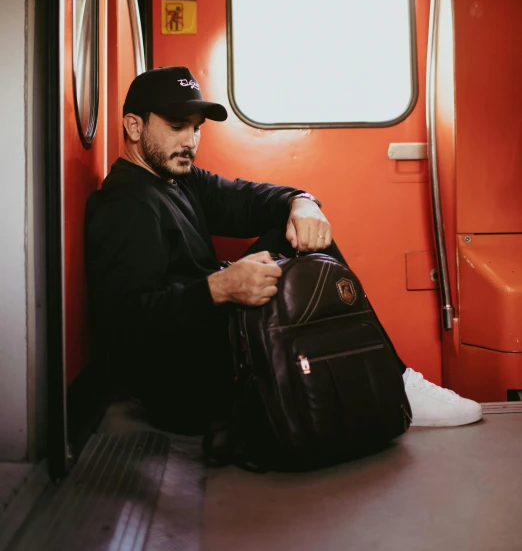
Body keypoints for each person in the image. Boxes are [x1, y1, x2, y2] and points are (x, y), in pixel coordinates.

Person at [85, 66, 482, 434]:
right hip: (182, 385)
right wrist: (218, 289)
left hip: (212, 340)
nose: (190, 142)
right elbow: (125, 326)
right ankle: (391, 383)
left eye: (196, 128)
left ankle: (388, 381)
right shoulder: (126, 206)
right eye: (176, 127)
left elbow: (249, 199)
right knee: (298, 256)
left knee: (294, 233)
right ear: (134, 127)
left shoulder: (178, 178)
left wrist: (302, 201)